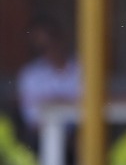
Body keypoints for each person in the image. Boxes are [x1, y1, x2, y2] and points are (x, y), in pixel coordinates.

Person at [16, 18, 81, 147]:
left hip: (79, 136)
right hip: (42, 138)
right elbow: (31, 118)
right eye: (43, 46)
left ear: (62, 39)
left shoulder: (82, 70)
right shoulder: (30, 75)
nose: (51, 49)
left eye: (52, 41)